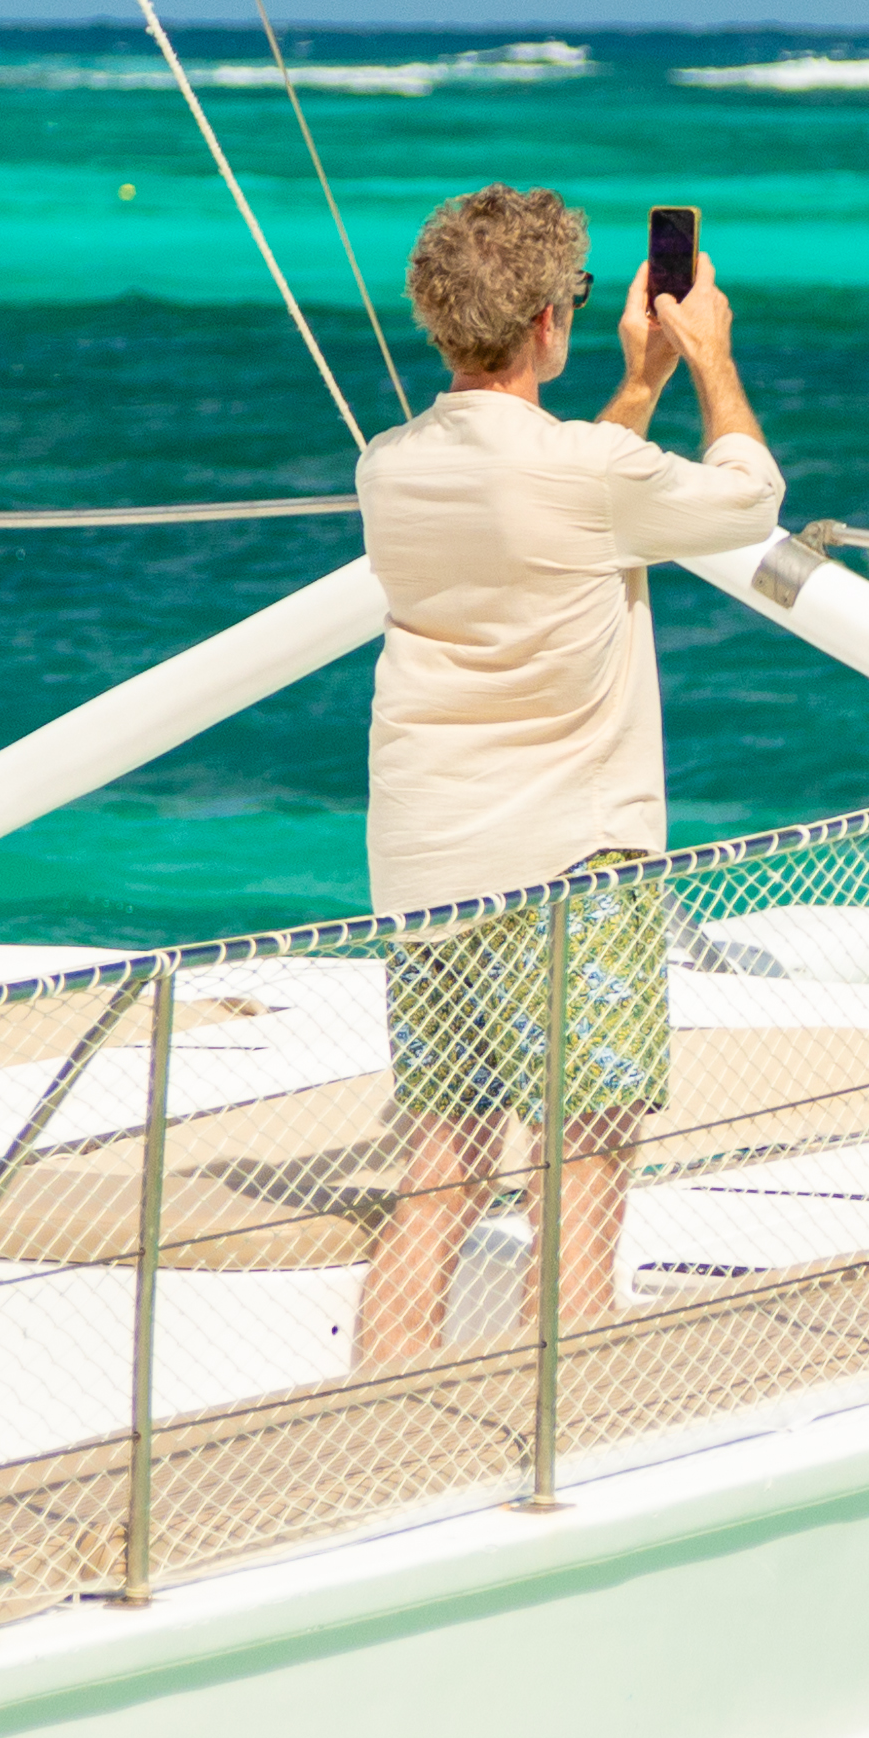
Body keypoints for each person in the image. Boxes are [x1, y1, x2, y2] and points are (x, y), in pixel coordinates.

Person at [349, 185, 780, 1364]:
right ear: (549, 320)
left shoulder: (387, 467)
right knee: (582, 1162)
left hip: (430, 856)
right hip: (571, 859)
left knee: (442, 1158)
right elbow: (746, 496)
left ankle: (371, 1407)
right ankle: (572, 1420)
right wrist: (707, 362)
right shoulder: (584, 472)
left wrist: (630, 384)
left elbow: (563, 481)